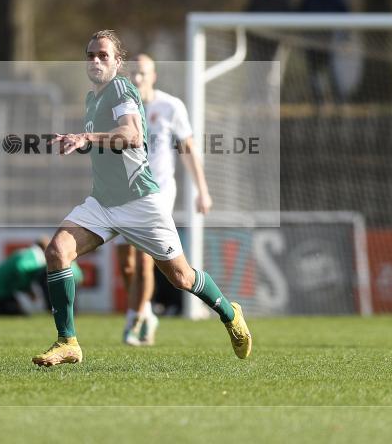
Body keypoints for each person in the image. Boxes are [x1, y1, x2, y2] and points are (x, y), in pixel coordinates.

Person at [32, 30, 251, 366]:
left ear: (118, 62)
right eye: (90, 55)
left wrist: (86, 137)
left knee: (181, 277)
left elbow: (132, 136)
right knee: (58, 251)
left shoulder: (120, 87)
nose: (94, 60)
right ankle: (68, 342)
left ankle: (229, 313)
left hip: (140, 201)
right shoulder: (93, 99)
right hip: (104, 202)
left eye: (103, 55)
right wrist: (85, 141)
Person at [112, 53, 213, 346]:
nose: (138, 78)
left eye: (143, 73)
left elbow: (189, 149)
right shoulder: (117, 109)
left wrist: (202, 190)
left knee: (145, 260)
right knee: (126, 263)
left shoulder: (170, 107)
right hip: (123, 193)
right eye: (133, 74)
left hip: (158, 192)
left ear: (153, 76)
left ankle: (134, 322)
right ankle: (145, 311)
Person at [0, 238, 83, 316]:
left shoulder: (28, 253)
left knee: (14, 312)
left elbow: (20, 269)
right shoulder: (36, 255)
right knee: (13, 313)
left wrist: (26, 288)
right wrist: (26, 287)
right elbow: (21, 268)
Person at [298, 0, 349, 104]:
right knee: (315, 77)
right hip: (313, 43)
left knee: (335, 74)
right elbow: (299, 18)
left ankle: (341, 105)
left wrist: (344, 39)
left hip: (332, 42)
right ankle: (319, 106)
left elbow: (345, 19)